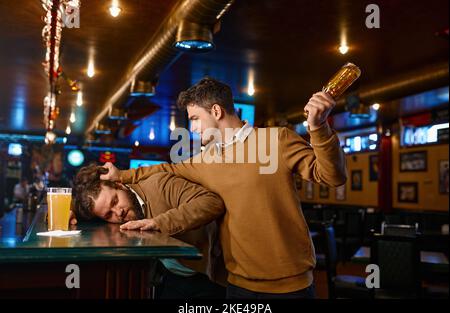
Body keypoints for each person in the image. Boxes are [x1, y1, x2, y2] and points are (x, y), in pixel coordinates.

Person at [100, 77, 347, 299]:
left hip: (291, 285)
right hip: (237, 285)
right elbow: (166, 170)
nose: (193, 128)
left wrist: (319, 127)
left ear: (216, 111)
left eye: (195, 119)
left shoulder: (276, 140)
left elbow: (331, 176)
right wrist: (121, 174)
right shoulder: (205, 159)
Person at [70, 164, 227, 299]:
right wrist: (69, 211)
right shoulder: (109, 215)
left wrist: (158, 223)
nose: (118, 213)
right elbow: (79, 209)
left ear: (120, 185)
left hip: (209, 277)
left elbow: (212, 202)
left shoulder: (159, 184)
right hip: (171, 277)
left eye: (115, 201)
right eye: (108, 214)